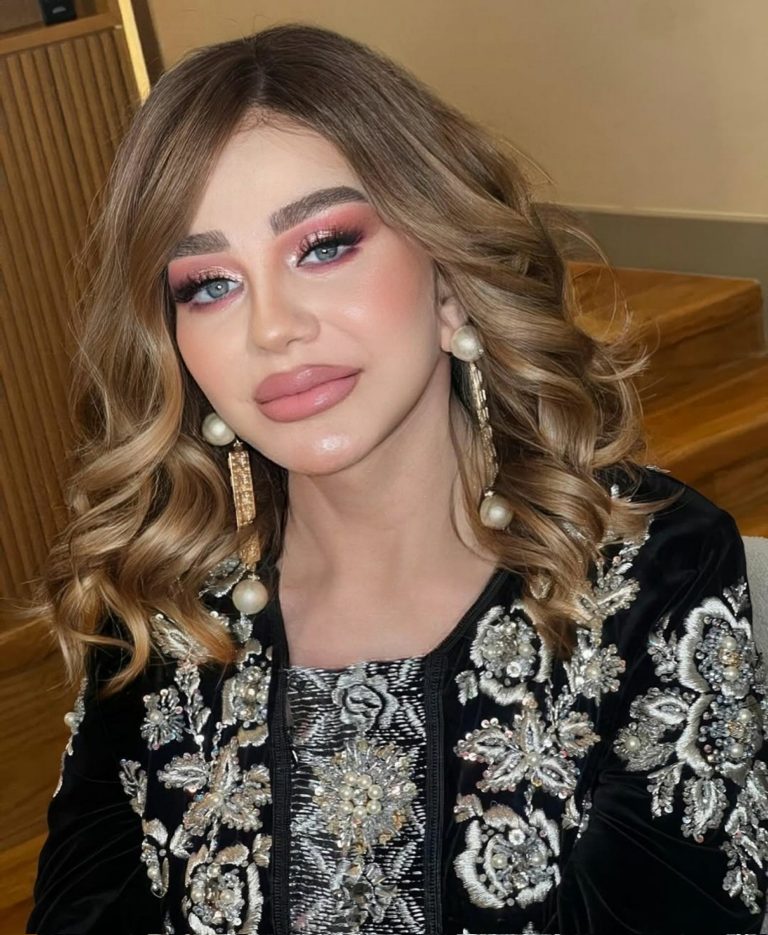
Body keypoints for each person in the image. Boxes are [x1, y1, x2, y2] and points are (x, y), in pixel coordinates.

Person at [24, 21, 768, 935]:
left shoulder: (650, 574)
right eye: (209, 285)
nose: (272, 328)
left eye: (323, 245)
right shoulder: (153, 612)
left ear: (447, 273)